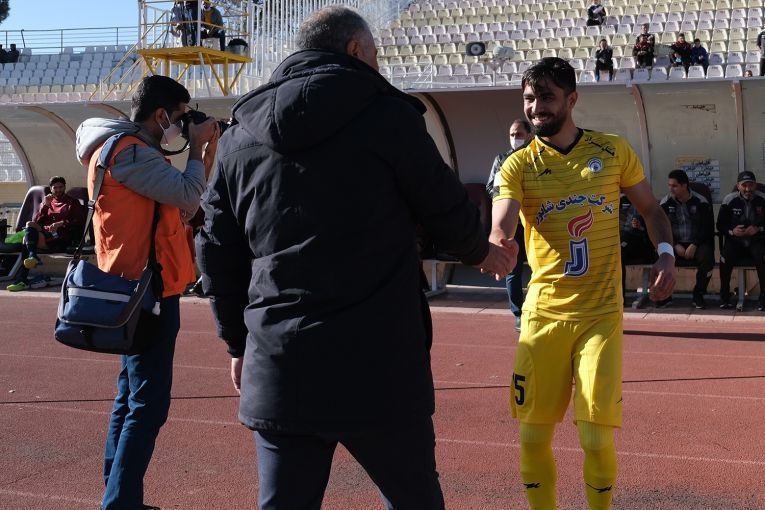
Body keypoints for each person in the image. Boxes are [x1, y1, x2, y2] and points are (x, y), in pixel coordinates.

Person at [197, 6, 514, 510]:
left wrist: (237, 343)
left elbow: (216, 250)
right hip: (380, 360)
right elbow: (445, 207)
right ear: (354, 50)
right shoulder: (389, 117)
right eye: (376, 54)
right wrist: (484, 253)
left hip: (280, 360)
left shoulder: (239, 135)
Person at [490, 57, 676, 510]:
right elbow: (502, 220)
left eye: (546, 97)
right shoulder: (518, 165)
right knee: (533, 436)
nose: (536, 108)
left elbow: (651, 210)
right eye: (529, 99)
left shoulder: (612, 151)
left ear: (571, 99)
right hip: (543, 316)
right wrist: (499, 242)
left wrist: (666, 254)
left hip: (600, 316)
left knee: (595, 437)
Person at [74, 75, 219, 510]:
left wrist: (204, 154)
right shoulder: (131, 152)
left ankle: (119, 496)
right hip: (147, 293)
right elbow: (187, 192)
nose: (184, 126)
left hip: (138, 287)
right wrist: (196, 147)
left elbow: (183, 205)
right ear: (160, 115)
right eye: (181, 118)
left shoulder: (125, 150)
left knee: (130, 396)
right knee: (148, 404)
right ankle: (120, 503)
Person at [487, 119, 534, 332]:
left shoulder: (537, 157)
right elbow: (491, 187)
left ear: (529, 135)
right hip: (512, 223)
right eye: (512, 134)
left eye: (519, 134)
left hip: (535, 221)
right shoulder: (501, 159)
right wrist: (509, 195)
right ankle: (518, 314)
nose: (515, 138)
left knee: (538, 267)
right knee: (513, 270)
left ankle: (537, 310)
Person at [6, 176, 86, 292]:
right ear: (51, 189)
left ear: (64, 187)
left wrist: (61, 223)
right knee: (29, 224)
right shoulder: (48, 202)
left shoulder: (72, 202)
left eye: (60, 187)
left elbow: (79, 221)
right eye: (55, 188)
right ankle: (31, 258)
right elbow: (36, 221)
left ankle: (23, 277)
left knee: (26, 241)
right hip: (46, 235)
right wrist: (45, 206)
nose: (58, 190)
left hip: (61, 238)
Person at [659, 169, 715, 309]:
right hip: (675, 243)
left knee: (707, 257)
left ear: (684, 186)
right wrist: (675, 244)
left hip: (696, 243)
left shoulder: (701, 202)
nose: (671, 189)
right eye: (669, 185)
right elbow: (662, 228)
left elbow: (707, 228)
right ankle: (665, 295)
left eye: (674, 186)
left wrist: (694, 244)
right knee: (662, 255)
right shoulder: (665, 203)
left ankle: (699, 294)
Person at [716, 171, 765, 311]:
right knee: (725, 257)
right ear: (738, 186)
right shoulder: (729, 199)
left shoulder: (763, 199)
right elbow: (720, 225)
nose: (748, 189)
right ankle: (725, 296)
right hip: (735, 240)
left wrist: (758, 228)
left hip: (756, 240)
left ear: (755, 185)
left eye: (751, 185)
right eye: (744, 185)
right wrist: (732, 231)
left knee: (762, 257)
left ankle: (763, 297)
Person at [619, 194, 655, 305]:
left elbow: (653, 233)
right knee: (619, 253)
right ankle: (619, 296)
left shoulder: (645, 202)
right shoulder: (617, 202)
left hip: (640, 246)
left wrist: (640, 227)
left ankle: (621, 298)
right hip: (622, 246)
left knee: (622, 246)